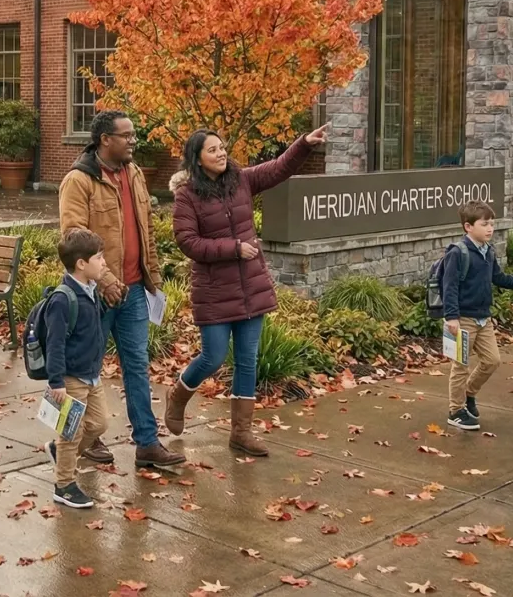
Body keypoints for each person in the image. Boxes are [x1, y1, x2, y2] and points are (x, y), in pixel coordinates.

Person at [165, 124, 330, 456]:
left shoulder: (240, 180)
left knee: (247, 361)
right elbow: (188, 242)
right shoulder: (188, 195)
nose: (221, 152)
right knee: (212, 357)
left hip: (250, 288)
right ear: (197, 158)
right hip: (214, 291)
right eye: (212, 149)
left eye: (222, 147)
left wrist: (304, 145)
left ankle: (241, 433)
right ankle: (178, 396)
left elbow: (278, 168)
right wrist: (233, 248)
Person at [58, 110, 183, 471]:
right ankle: (74, 439)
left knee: (137, 367)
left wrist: (153, 278)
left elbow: (145, 229)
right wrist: (107, 280)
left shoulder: (135, 173)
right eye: (126, 136)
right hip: (91, 295)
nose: (133, 141)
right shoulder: (78, 181)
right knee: (79, 371)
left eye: (133, 135)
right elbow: (74, 239)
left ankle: (146, 443)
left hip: (133, 292)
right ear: (104, 140)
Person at [440, 201, 513, 432]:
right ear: (468, 227)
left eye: (492, 223)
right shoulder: (458, 252)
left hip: (484, 319)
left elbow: (498, 278)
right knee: (460, 366)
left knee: (492, 360)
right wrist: (451, 316)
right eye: (485, 224)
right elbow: (449, 286)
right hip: (463, 319)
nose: (490, 228)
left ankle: (469, 393)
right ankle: (455, 410)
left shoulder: (488, 251)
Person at [40, 227, 111, 509]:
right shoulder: (62, 299)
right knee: (71, 432)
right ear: (82, 264)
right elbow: (55, 344)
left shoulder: (91, 291)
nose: (104, 262)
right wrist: (56, 380)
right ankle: (64, 485)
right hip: (70, 378)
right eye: (99, 257)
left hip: (92, 374)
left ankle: (59, 453)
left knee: (99, 424)